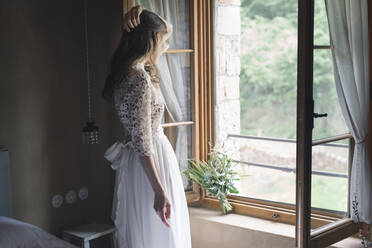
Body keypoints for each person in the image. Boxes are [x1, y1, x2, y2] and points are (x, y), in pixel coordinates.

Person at [102, 5, 192, 248]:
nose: (167, 46)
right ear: (154, 38)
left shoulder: (128, 72)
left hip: (139, 164)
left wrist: (139, 9)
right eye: (166, 40)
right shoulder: (139, 78)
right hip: (152, 163)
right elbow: (143, 141)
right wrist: (159, 190)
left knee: (148, 232)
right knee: (160, 232)